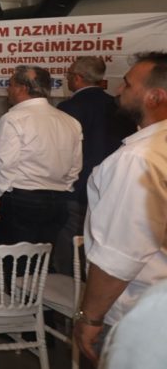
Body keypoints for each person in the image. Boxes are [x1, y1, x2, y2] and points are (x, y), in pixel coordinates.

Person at [74, 51, 167, 365]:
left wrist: (91, 316)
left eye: (127, 84)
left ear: (155, 97)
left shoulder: (136, 160)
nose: (117, 90)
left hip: (138, 313)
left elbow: (120, 253)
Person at [0, 65, 82, 248]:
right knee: (45, 258)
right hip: (59, 201)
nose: (7, 89)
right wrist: (63, 189)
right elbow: (75, 166)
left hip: (21, 201)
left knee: (15, 260)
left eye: (10, 84)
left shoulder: (13, 119)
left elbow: (4, 164)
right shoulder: (70, 121)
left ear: (22, 88)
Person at [55, 57, 133, 273]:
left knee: (69, 246)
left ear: (77, 78)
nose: (67, 79)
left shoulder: (69, 107)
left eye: (69, 75)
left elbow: (61, 151)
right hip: (113, 187)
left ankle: (67, 288)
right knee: (101, 246)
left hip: (77, 187)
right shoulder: (119, 106)